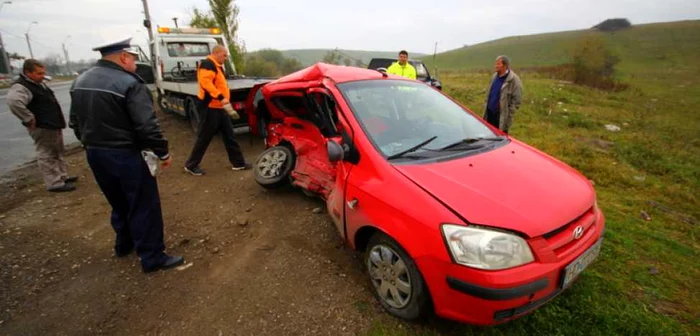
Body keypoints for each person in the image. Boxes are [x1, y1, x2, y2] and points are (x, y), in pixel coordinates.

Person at [69, 37, 184, 273]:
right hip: (126, 155)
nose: (135, 63)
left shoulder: (80, 80)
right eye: (133, 58)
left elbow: (75, 122)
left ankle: (124, 244)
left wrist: (90, 143)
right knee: (143, 204)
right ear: (123, 57)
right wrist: (162, 153)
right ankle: (152, 257)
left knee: (118, 201)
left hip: (96, 154)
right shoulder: (130, 84)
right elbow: (147, 126)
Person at [6, 59, 77, 192]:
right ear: (27, 72)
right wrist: (27, 118)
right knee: (46, 153)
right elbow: (13, 102)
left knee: (56, 151)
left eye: (43, 73)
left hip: (52, 124)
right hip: (42, 126)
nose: (42, 76)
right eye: (39, 73)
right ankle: (54, 183)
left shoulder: (37, 83)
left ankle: (62, 176)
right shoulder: (21, 86)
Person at [183, 44, 250, 176]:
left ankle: (238, 163)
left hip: (220, 107)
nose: (225, 58)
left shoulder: (216, 66)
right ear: (217, 53)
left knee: (229, 135)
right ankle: (191, 165)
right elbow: (206, 83)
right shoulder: (208, 64)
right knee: (205, 137)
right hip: (210, 107)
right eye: (224, 55)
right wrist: (220, 96)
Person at [483, 55, 522, 134]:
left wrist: (509, 114)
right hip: (490, 112)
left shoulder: (514, 79)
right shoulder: (494, 76)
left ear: (505, 65)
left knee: (501, 138)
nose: (495, 66)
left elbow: (517, 100)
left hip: (502, 116)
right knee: (489, 135)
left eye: (498, 64)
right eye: (495, 64)